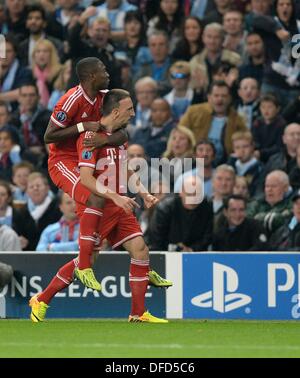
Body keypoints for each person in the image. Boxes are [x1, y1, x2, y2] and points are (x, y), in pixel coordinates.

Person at [29, 89, 172, 323]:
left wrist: (144, 193)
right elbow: (86, 178)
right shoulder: (90, 137)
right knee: (87, 261)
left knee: (140, 250)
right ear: (115, 112)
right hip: (99, 207)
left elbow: (124, 168)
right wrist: (115, 197)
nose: (134, 114)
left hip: (118, 203)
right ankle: (42, 299)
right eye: (129, 109)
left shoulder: (117, 136)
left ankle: (138, 313)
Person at [44, 57, 131, 273]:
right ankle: (84, 265)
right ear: (91, 76)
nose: (108, 73)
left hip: (88, 157)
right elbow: (49, 136)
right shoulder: (70, 100)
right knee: (96, 196)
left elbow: (124, 132)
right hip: (64, 160)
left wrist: (105, 140)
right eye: (103, 70)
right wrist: (82, 126)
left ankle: (90, 253)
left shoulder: (104, 98)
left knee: (104, 197)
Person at [149, 175, 213, 251]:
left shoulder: (206, 207)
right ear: (181, 192)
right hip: (165, 252)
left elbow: (207, 236)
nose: (193, 197)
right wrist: (174, 248)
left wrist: (191, 249)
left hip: (195, 253)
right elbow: (156, 237)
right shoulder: (165, 208)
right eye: (189, 193)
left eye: (197, 193)